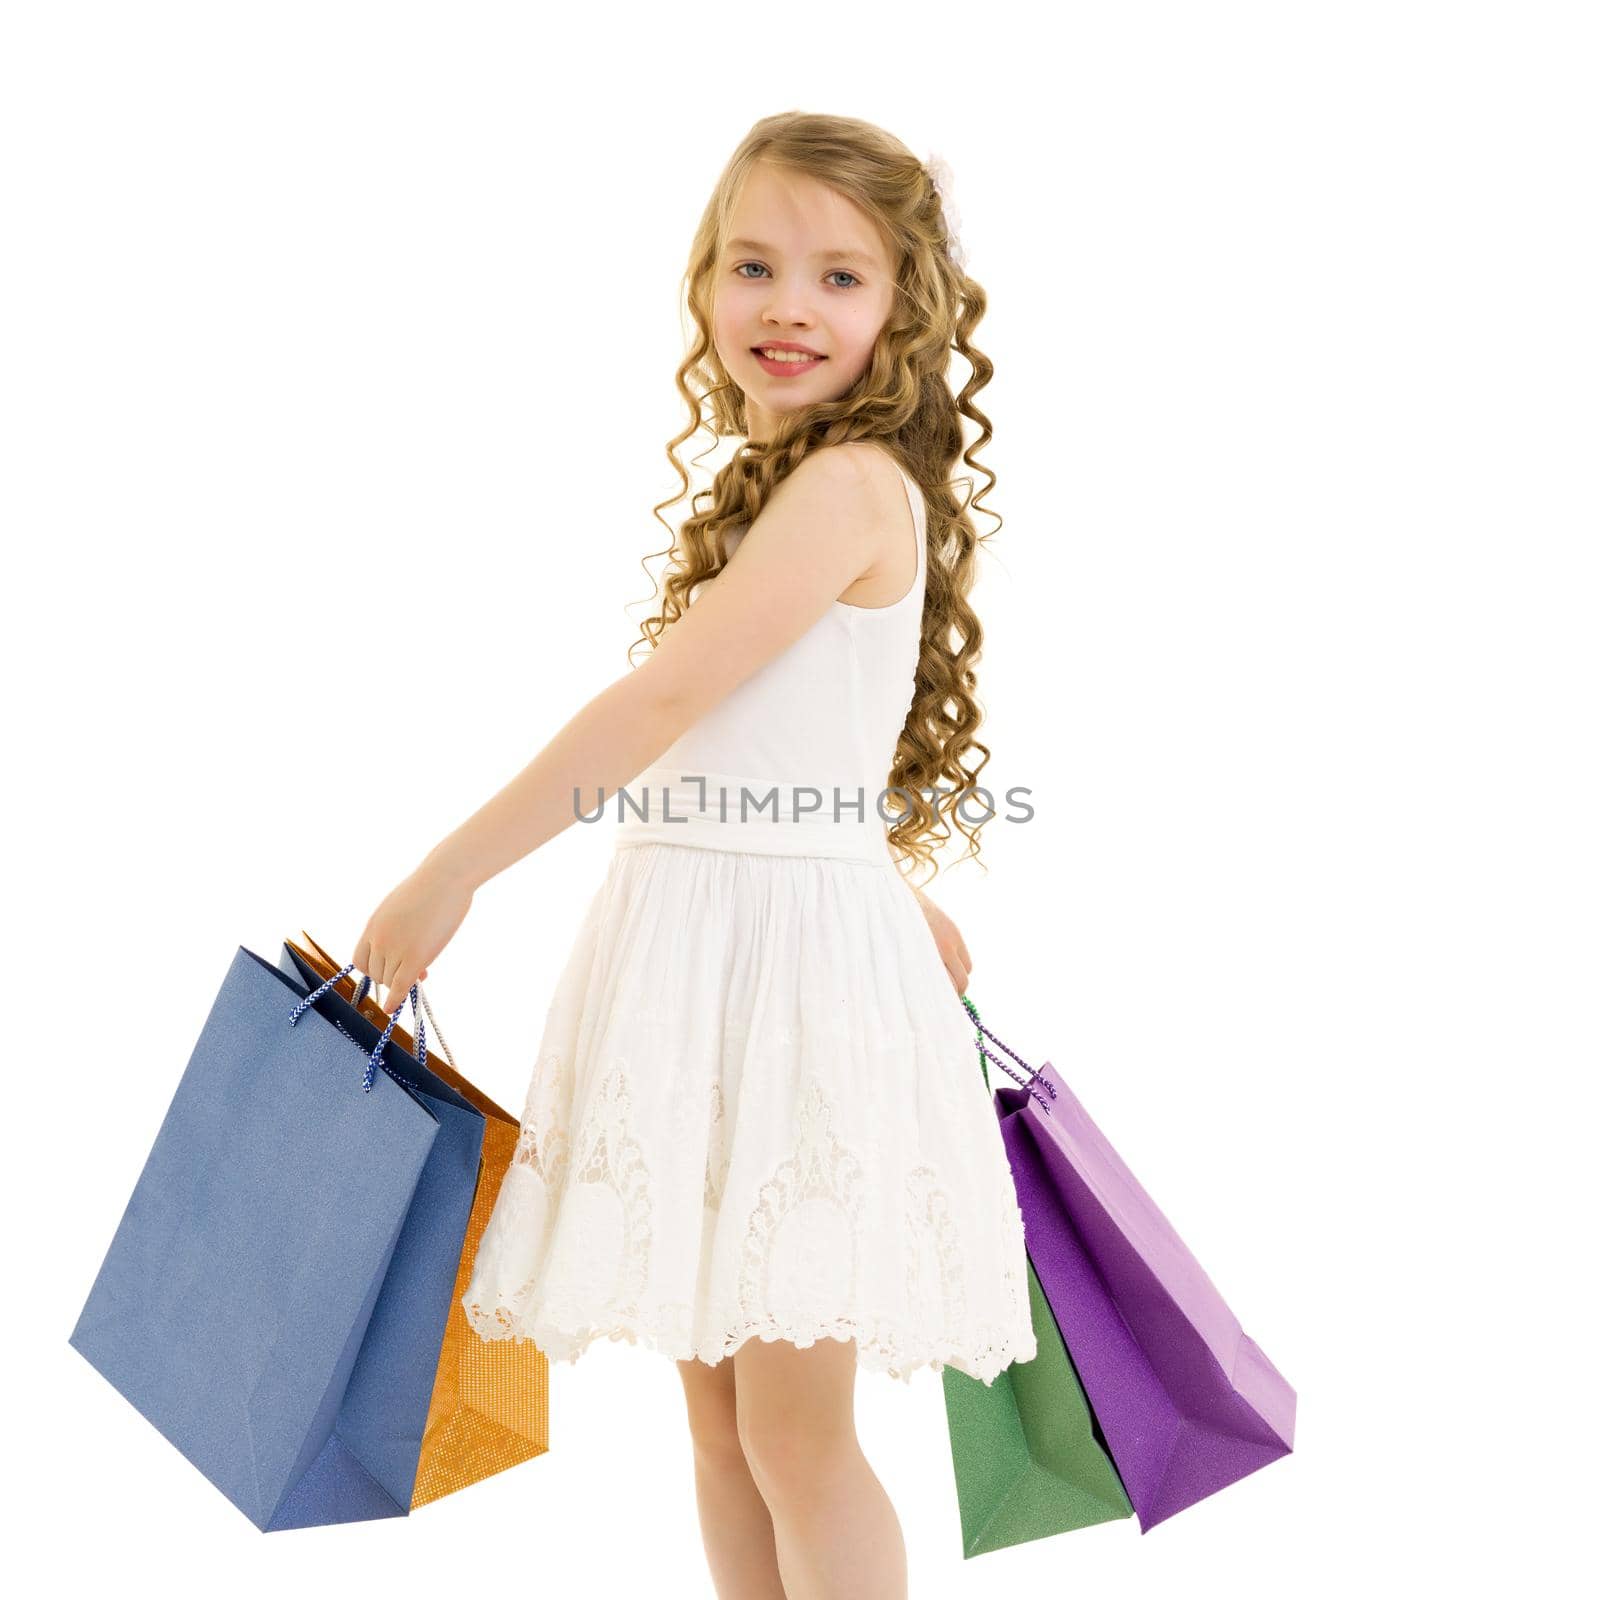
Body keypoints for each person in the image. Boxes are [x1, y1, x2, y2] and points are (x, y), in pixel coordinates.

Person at [351, 112, 1034, 1599]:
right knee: (722, 1437)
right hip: (713, 968)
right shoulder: (790, 488)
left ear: (904, 312)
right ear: (705, 286)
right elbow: (748, 742)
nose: (790, 303)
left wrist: (451, 869)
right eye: (756, 264)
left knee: (795, 1439)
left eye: (840, 278)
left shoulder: (852, 487)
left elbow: (659, 702)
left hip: (779, 994)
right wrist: (877, 866)